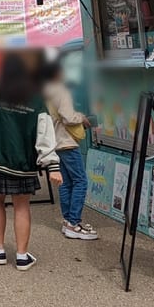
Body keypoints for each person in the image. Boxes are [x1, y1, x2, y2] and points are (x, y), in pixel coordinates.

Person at [0, 52, 60, 271]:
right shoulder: (35, 96)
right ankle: (22, 256)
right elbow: (44, 130)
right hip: (23, 161)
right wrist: (52, 165)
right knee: (21, 206)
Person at [43, 58, 97, 240]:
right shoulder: (60, 90)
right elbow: (68, 117)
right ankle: (74, 222)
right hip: (67, 142)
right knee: (80, 181)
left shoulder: (45, 91)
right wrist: (81, 117)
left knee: (65, 183)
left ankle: (68, 221)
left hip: (55, 142)